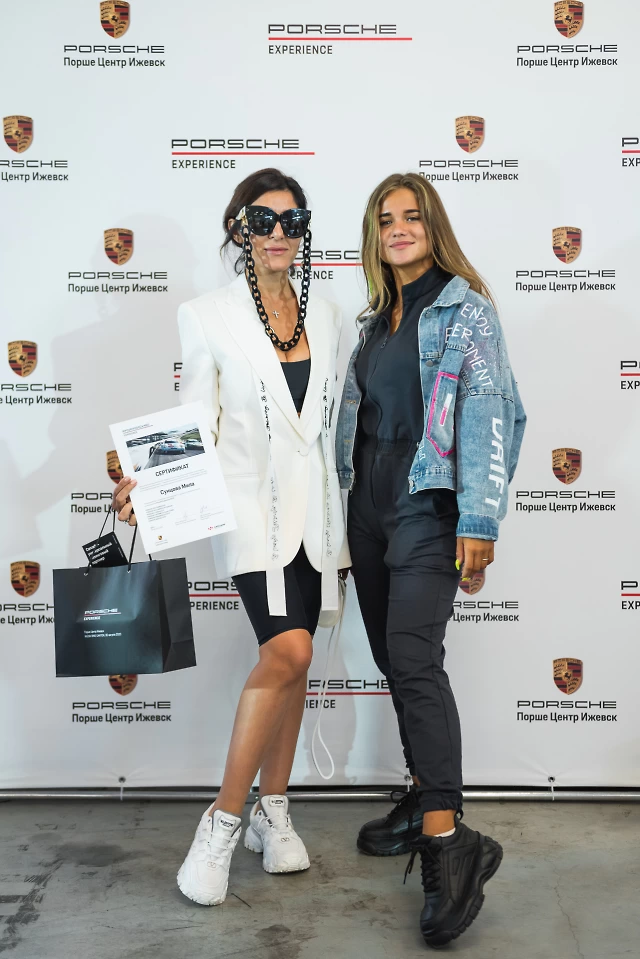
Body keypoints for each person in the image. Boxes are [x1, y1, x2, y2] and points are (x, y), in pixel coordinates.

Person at [112, 168, 350, 907]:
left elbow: (330, 425)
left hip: (320, 519)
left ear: (304, 231)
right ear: (238, 228)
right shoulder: (207, 314)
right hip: (250, 514)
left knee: (292, 664)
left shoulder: (330, 315)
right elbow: (197, 422)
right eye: (262, 220)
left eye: (292, 220)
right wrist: (149, 488)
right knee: (290, 651)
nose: (278, 233)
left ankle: (274, 811)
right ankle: (220, 822)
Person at [336, 172, 526, 948]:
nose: (399, 228)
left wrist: (479, 518)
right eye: (386, 219)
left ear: (433, 226)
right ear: (374, 234)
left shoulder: (464, 310)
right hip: (368, 503)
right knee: (392, 654)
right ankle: (422, 793)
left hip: (427, 500)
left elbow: (491, 413)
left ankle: (450, 839)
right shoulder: (375, 320)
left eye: (412, 216)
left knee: (415, 658)